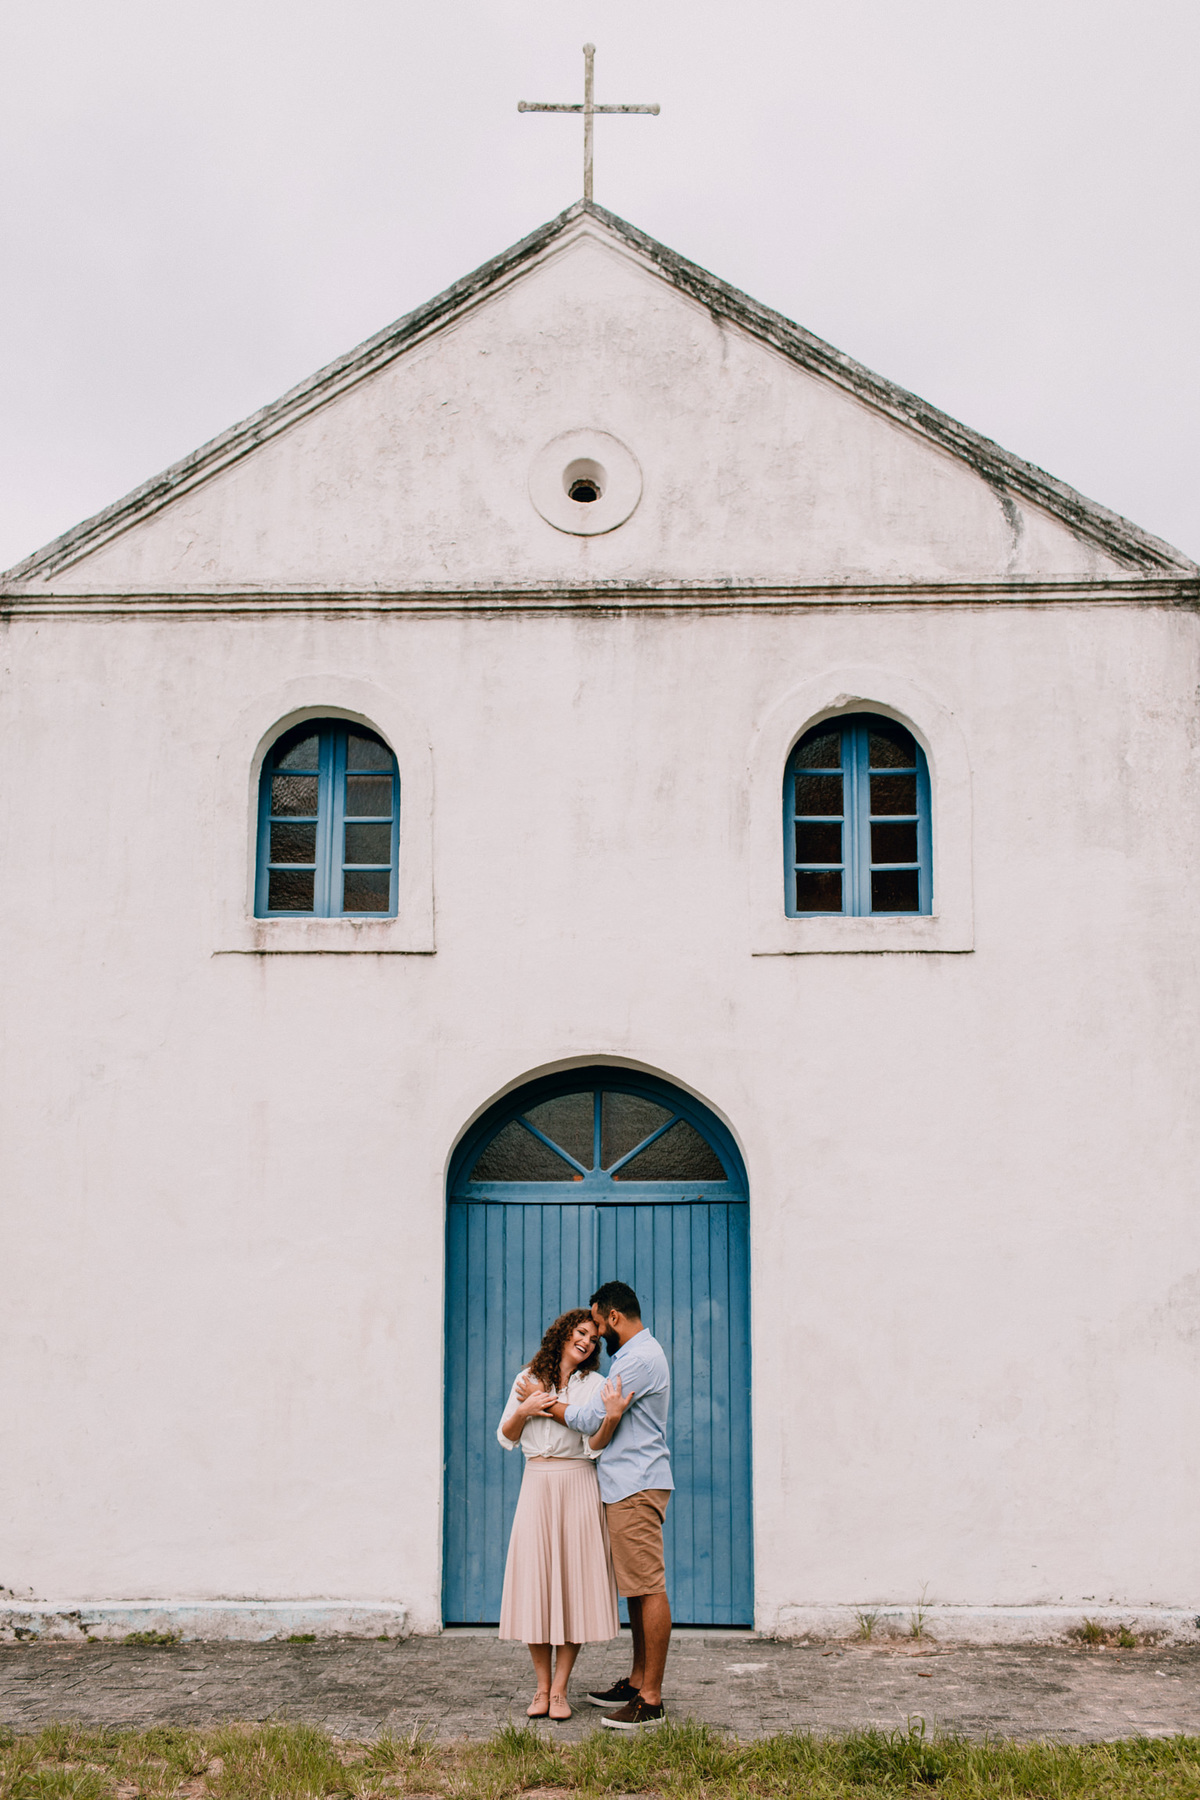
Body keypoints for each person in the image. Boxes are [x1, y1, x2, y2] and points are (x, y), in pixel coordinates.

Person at [544, 1280, 674, 1731]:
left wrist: (548, 1406)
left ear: (614, 1316)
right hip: (626, 1484)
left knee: (648, 1585)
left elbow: (593, 1417)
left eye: (598, 1324)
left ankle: (651, 1700)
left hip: (636, 1484)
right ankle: (638, 1681)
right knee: (636, 1589)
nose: (597, 1334)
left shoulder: (638, 1359)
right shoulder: (636, 1355)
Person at [496, 1308, 626, 1720]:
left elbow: (597, 1444)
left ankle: (559, 1691)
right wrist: (525, 1408)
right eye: (582, 1332)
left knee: (572, 1587)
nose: (587, 1341)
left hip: (578, 1482)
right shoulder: (527, 1379)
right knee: (537, 1583)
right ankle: (538, 1688)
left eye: (593, 1338)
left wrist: (612, 1417)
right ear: (565, 1333)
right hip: (537, 1481)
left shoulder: (597, 1384)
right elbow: (506, 1436)